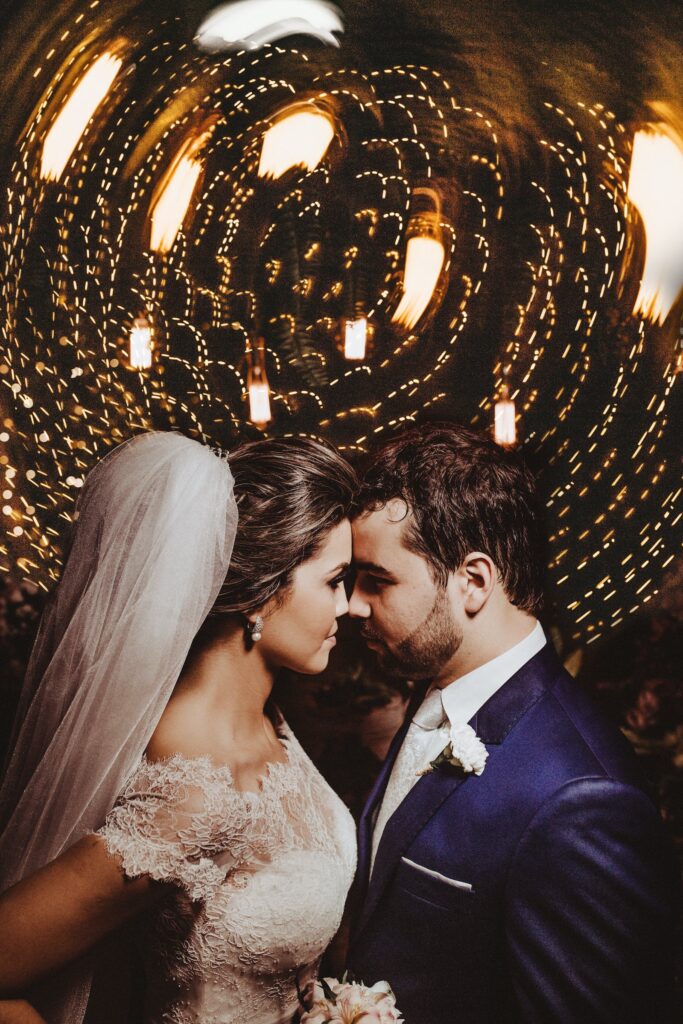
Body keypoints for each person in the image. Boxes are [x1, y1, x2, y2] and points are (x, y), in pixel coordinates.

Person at [0, 430, 358, 1024]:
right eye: (334, 581)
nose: (348, 605)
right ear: (261, 595)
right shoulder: (193, 796)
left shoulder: (271, 722)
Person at [345, 422, 677, 1024]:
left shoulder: (582, 798)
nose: (353, 604)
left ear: (473, 581)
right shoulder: (436, 687)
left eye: (378, 580)